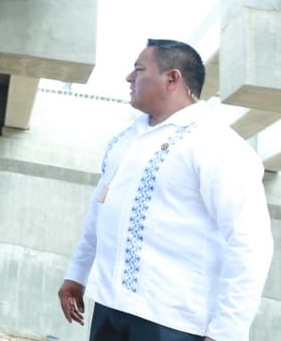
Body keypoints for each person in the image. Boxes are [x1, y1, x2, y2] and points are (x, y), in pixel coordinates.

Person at [58, 39, 273, 341]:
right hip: (110, 307)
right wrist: (77, 274)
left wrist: (228, 332)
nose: (129, 78)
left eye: (139, 69)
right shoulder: (126, 140)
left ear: (172, 78)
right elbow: (100, 208)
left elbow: (250, 243)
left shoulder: (218, 145)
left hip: (174, 322)